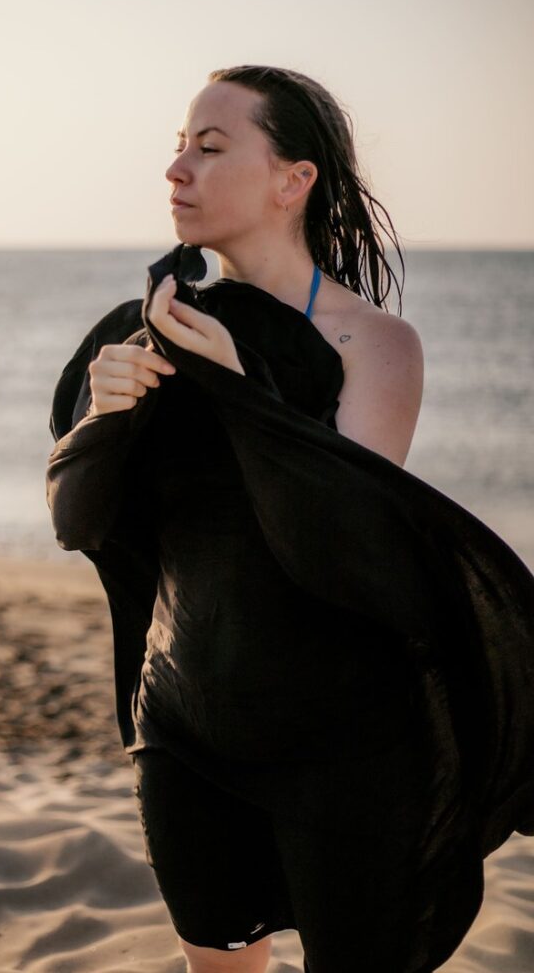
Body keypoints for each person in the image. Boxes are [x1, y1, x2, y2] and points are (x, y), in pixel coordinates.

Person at [45, 65, 534, 973]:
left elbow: (336, 549)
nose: (177, 169)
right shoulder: (142, 329)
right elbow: (78, 522)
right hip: (186, 731)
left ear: (292, 179)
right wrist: (101, 422)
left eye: (212, 146)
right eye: (179, 145)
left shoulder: (375, 347)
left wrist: (242, 392)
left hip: (353, 751)